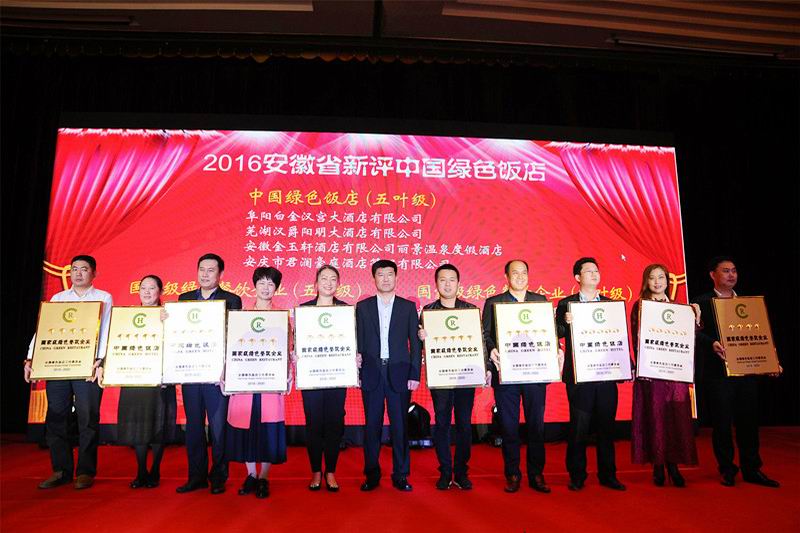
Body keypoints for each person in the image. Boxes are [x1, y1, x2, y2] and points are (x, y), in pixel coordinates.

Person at [24, 255, 112, 490]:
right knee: (56, 417)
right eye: (74, 269)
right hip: (58, 366)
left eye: (84, 269)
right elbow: (44, 330)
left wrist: (99, 360)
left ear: (94, 273)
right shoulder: (58, 298)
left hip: (87, 368)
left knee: (88, 418)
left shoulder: (103, 297)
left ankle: (85, 471)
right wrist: (31, 358)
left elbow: (106, 329)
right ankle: (60, 470)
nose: (78, 273)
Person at [693, 256, 780, 488]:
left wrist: (772, 362)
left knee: (749, 423)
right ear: (712, 275)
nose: (731, 275)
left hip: (746, 373)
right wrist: (711, 343)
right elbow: (694, 334)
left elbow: (761, 336)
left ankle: (752, 469)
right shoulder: (702, 302)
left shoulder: (748, 303)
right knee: (722, 424)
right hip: (718, 374)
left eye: (734, 271)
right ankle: (727, 468)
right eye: (725, 271)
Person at [482, 259, 552, 494]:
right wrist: (492, 349)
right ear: (506, 277)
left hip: (535, 373)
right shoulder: (494, 302)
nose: (520, 277)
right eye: (515, 273)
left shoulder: (540, 301)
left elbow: (549, 333)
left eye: (524, 272)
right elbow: (485, 334)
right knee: (509, 426)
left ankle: (536, 474)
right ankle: (512, 473)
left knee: (536, 426)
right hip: (507, 374)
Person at [556, 257, 626, 491]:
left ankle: (608, 475)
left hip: (605, 375)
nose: (594, 274)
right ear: (578, 277)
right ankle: (577, 475)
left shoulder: (609, 304)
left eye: (596, 271)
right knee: (579, 428)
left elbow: (618, 336)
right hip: (580, 377)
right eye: (589, 271)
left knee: (606, 427)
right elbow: (557, 332)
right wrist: (565, 323)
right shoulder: (566, 304)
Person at [418, 264, 491, 490]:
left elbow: (480, 341)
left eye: (452, 280)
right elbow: (423, 347)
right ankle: (444, 471)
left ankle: (460, 472)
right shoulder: (428, 311)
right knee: (441, 423)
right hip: (441, 377)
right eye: (443, 280)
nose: (447, 284)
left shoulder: (470, 310)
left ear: (459, 283)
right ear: (436, 284)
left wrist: (486, 367)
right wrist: (421, 337)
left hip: (465, 376)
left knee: (464, 425)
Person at [175, 253, 242, 495]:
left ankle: (219, 477)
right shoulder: (183, 300)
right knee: (193, 427)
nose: (205, 274)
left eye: (211, 270)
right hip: (191, 374)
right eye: (201, 269)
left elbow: (235, 336)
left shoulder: (231, 300)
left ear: (220, 274)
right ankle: (196, 476)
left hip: (217, 376)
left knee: (218, 428)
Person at [630, 264, 699, 487]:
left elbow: (689, 339)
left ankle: (674, 465)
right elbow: (636, 339)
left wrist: (695, 318)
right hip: (651, 374)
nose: (657, 282)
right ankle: (658, 466)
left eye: (661, 277)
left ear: (668, 281)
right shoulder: (640, 307)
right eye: (652, 278)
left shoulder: (679, 309)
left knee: (675, 418)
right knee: (655, 417)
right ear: (646, 281)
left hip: (675, 375)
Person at [356, 259, 422, 492]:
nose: (385, 278)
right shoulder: (362, 307)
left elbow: (415, 344)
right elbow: (358, 341)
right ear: (374, 278)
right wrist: (357, 371)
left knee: (400, 427)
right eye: (380, 274)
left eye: (389, 274)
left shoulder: (408, 307)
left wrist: (415, 373)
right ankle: (371, 474)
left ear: (396, 277)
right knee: (371, 426)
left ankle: (401, 474)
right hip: (371, 373)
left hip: (399, 373)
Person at [226, 267, 289, 500]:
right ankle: (251, 474)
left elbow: (288, 350)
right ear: (254, 285)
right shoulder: (240, 317)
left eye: (271, 284)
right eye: (261, 282)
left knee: (268, 430)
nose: (265, 288)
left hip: (270, 383)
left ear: (276, 288)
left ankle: (264, 477)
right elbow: (230, 349)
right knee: (247, 428)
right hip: (245, 383)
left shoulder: (283, 318)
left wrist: (288, 373)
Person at [113, 275, 178, 489]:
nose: (147, 292)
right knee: (138, 426)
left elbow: (177, 346)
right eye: (143, 288)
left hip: (160, 380)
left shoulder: (169, 315)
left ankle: (155, 470)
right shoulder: (127, 316)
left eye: (152, 288)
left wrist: (169, 323)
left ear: (160, 291)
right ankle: (141, 472)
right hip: (134, 378)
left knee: (159, 425)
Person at [298, 265, 351, 492]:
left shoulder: (346, 310)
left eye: (333, 279)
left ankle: (330, 471)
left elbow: (352, 341)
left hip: (337, 375)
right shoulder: (304, 310)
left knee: (334, 424)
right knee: (313, 424)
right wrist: (295, 353)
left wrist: (355, 356)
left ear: (338, 284)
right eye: (324, 279)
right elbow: (298, 340)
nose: (328, 283)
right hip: (311, 376)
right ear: (315, 284)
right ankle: (315, 471)